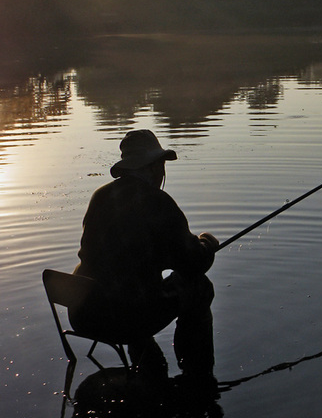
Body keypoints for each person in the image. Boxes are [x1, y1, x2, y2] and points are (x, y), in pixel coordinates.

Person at [70, 129, 219, 381]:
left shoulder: (100, 196)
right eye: (161, 164)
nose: (162, 171)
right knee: (200, 287)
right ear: (152, 166)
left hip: (84, 313)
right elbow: (192, 264)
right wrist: (207, 243)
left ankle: (148, 366)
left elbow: (119, 254)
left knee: (132, 288)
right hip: (123, 318)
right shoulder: (157, 202)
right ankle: (197, 376)